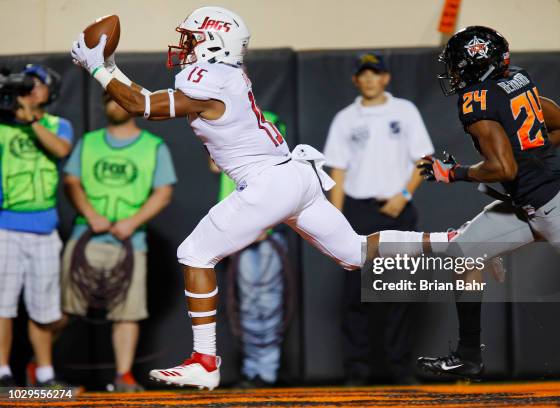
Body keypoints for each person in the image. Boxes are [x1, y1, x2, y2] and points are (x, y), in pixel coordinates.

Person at [70, 6, 452, 390]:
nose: (184, 46)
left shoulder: (209, 76)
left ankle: (204, 361)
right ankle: (452, 242)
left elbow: (143, 106)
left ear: (213, 41)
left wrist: (97, 68)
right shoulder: (225, 74)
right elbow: (146, 98)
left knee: (194, 254)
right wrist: (111, 65)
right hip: (295, 176)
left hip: (268, 183)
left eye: (191, 38)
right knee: (354, 252)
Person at [414, 26, 560, 379]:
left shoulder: (477, 101)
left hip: (556, 210)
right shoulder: (518, 80)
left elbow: (502, 166)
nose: (455, 73)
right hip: (524, 208)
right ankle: (469, 357)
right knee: (463, 254)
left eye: (459, 65)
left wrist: (454, 173)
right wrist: (529, 167)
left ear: (478, 65)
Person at [324, 53, 433, 385]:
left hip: (397, 209)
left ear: (386, 78)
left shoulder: (405, 111)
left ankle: (400, 369)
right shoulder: (345, 118)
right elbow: (337, 172)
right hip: (358, 211)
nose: (370, 79)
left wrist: (404, 195)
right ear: (356, 80)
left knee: (400, 293)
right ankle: (357, 371)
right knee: (355, 295)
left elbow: (423, 159)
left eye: (376, 73)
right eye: (364, 74)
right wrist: (335, 222)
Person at [61, 93, 176, 391]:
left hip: (130, 242)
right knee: (61, 309)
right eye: (109, 100)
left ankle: (123, 376)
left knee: (127, 312)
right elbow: (71, 181)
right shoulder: (88, 142)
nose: (115, 105)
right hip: (85, 238)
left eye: (121, 100)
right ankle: (42, 369)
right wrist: (90, 214)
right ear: (103, 105)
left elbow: (163, 192)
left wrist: (131, 223)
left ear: (134, 106)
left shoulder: (153, 146)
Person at [0, 65, 73, 387]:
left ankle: (44, 374)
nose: (31, 88)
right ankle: (2, 371)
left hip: (44, 228)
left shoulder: (60, 125)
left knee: (44, 306)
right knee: (2, 304)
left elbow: (60, 150)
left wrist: (30, 119)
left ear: (50, 91)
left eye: (37, 84)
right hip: (5, 226)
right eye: (26, 84)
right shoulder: (2, 126)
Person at [211, 111, 289, 388]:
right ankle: (253, 370)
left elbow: (281, 167)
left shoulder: (268, 119)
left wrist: (265, 222)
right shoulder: (216, 118)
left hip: (267, 229)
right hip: (238, 225)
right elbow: (213, 164)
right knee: (246, 303)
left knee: (267, 303)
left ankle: (266, 372)